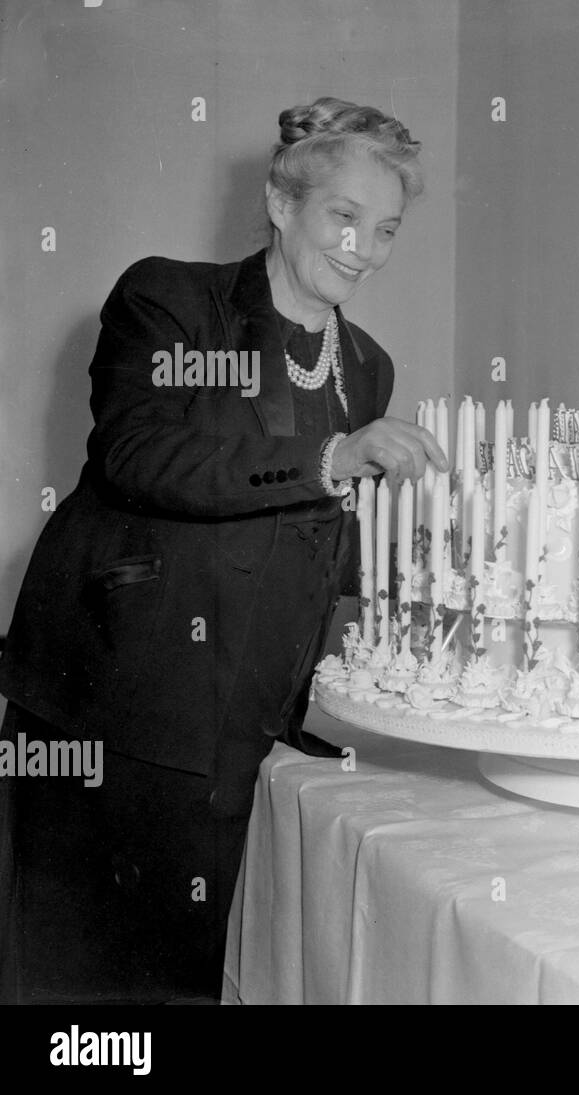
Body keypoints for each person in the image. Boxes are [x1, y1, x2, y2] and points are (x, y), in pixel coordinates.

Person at [0, 97, 446, 1003]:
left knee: (206, 972)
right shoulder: (174, 302)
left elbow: (325, 541)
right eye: (344, 217)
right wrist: (332, 457)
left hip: (246, 731)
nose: (365, 248)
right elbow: (140, 454)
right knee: (84, 987)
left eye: (387, 228)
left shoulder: (367, 366)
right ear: (282, 205)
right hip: (116, 717)